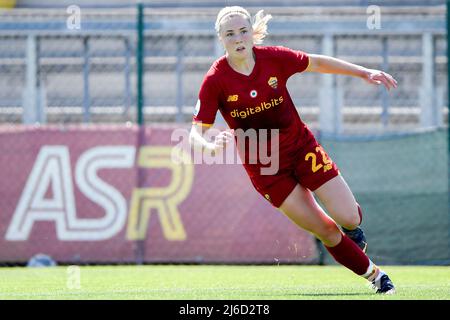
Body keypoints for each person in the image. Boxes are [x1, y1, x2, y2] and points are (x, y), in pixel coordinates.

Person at [189, 6, 397, 294]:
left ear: (252, 33)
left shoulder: (273, 58)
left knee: (349, 218)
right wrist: (209, 147)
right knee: (324, 229)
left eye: (243, 31)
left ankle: (352, 230)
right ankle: (375, 276)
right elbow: (195, 133)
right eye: (230, 34)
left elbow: (317, 63)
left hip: (301, 147)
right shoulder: (216, 79)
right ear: (221, 39)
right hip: (267, 168)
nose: (238, 38)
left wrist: (363, 72)